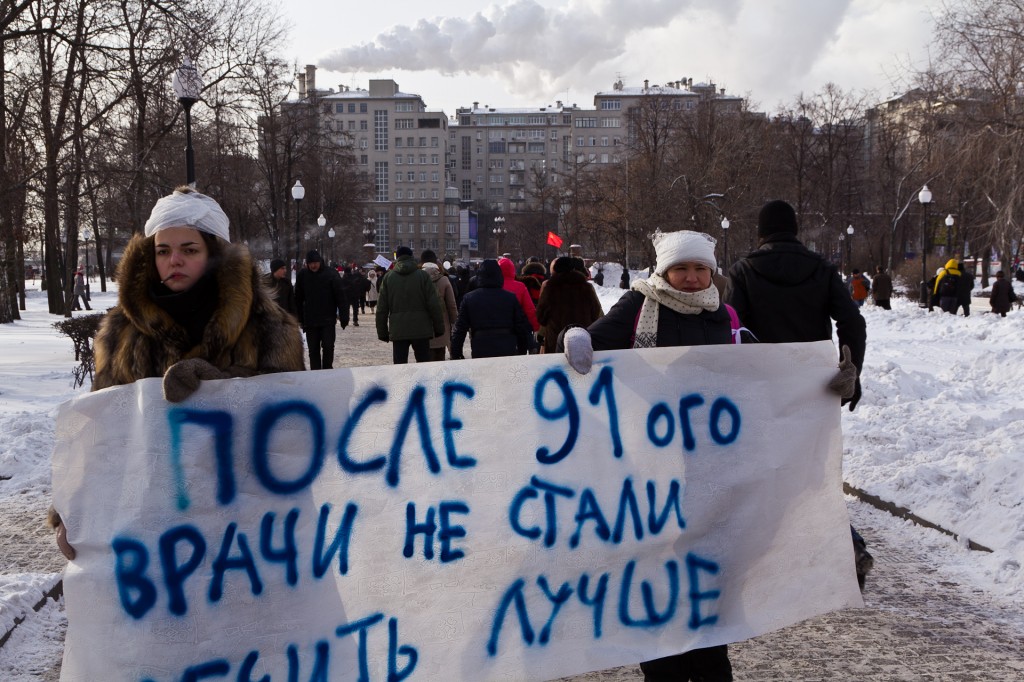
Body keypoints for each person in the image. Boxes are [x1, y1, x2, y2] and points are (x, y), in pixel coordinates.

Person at [562, 230, 796, 682]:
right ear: (663, 271)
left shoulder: (725, 314)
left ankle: (710, 660)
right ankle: (664, 666)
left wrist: (822, 386)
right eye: (681, 269)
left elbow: (761, 375)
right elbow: (586, 352)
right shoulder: (638, 306)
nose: (691, 278)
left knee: (708, 575)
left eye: (699, 268)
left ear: (712, 272)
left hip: (712, 469)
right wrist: (575, 337)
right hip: (650, 472)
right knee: (657, 570)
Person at [51, 186, 305, 559]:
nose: (174, 261)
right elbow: (101, 433)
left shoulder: (269, 328)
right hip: (153, 533)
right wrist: (69, 512)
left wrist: (222, 390)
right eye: (163, 251)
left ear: (215, 254)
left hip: (245, 533)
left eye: (189, 250)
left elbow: (293, 432)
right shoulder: (122, 333)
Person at [724, 199, 872, 589]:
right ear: (794, 229)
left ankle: (764, 556)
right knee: (812, 471)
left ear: (761, 232)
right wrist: (850, 370)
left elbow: (732, 328)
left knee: (765, 469)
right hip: (815, 384)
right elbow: (852, 320)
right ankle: (846, 543)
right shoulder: (822, 269)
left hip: (763, 385)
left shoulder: (744, 270)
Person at [450, 259, 533, 359]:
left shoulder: (469, 298)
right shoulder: (510, 298)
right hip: (507, 347)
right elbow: (520, 326)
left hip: (481, 347)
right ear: (499, 276)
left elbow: (460, 329)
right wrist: (522, 350)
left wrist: (456, 353)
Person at [375, 246, 445, 363]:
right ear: (412, 257)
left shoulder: (388, 278)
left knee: (400, 367)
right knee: (423, 366)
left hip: (398, 330)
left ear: (397, 258)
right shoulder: (423, 276)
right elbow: (434, 304)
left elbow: (381, 308)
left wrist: (382, 332)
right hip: (421, 329)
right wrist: (439, 328)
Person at [536, 256, 603, 354]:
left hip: (556, 341)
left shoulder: (550, 288)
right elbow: (596, 313)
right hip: (581, 339)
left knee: (558, 368)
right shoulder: (586, 287)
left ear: (555, 270)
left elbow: (541, 316)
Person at [295, 250, 349, 370]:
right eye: (311, 263)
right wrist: (299, 318)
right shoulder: (303, 275)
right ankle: (316, 374)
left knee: (328, 347)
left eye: (315, 263)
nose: (313, 266)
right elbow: (298, 299)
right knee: (313, 350)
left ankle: (327, 371)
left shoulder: (331, 274)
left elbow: (340, 296)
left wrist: (344, 316)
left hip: (328, 319)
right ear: (307, 264)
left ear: (320, 262)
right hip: (310, 320)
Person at [421, 255, 458, 361]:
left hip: (422, 327)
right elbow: (451, 304)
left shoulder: (417, 281)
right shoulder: (444, 280)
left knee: (424, 359)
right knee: (439, 358)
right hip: (442, 326)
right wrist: (454, 321)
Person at [497, 256, 540, 333]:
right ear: (512, 269)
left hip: (495, 328)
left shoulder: (494, 285)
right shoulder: (520, 286)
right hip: (515, 329)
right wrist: (535, 326)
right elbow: (529, 309)